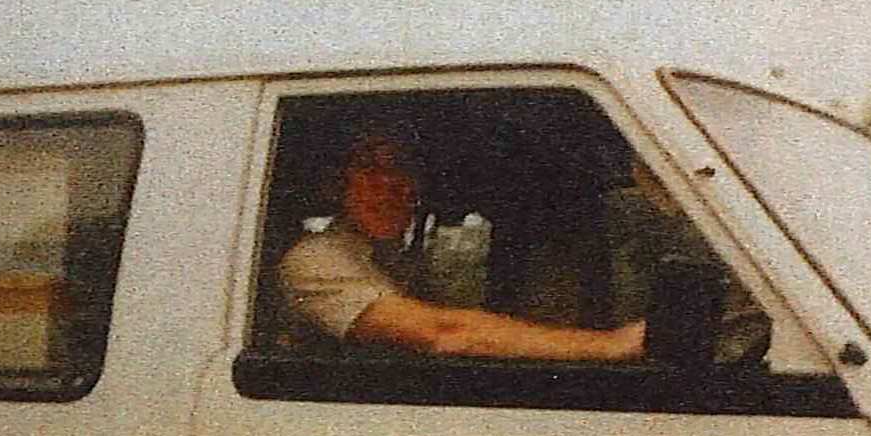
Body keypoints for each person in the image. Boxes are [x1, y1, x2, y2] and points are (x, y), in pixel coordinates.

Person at [277, 134, 646, 360]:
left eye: (403, 171)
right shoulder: (315, 259)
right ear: (335, 185)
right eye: (370, 169)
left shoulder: (398, 261)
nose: (392, 185)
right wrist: (613, 345)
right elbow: (446, 333)